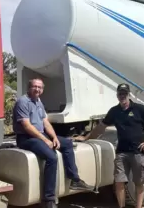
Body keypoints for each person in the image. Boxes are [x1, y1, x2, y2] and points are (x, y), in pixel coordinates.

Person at [74, 83, 144, 208]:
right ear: (117, 95)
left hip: (138, 152)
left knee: (138, 182)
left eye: (124, 93)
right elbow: (101, 127)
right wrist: (86, 137)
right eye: (120, 94)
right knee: (119, 182)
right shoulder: (114, 111)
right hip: (122, 152)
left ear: (128, 94)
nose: (122, 96)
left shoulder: (139, 109)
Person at [12, 78, 93, 208]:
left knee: (66, 143)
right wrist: (45, 140)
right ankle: (48, 199)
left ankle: (74, 179)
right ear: (29, 88)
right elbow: (26, 126)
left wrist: (54, 137)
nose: (37, 89)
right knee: (51, 157)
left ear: (42, 89)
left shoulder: (38, 101)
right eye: (34, 86)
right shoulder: (23, 102)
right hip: (26, 138)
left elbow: (45, 122)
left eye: (40, 87)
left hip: (39, 135)